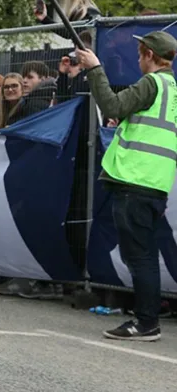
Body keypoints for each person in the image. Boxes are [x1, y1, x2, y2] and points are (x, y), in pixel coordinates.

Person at [75, 31, 177, 342]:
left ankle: (146, 323)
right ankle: (146, 320)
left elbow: (112, 105)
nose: (137, 58)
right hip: (154, 182)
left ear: (148, 55)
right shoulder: (172, 87)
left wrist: (94, 67)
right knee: (142, 253)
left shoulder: (152, 83)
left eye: (139, 52)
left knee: (140, 256)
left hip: (136, 179)